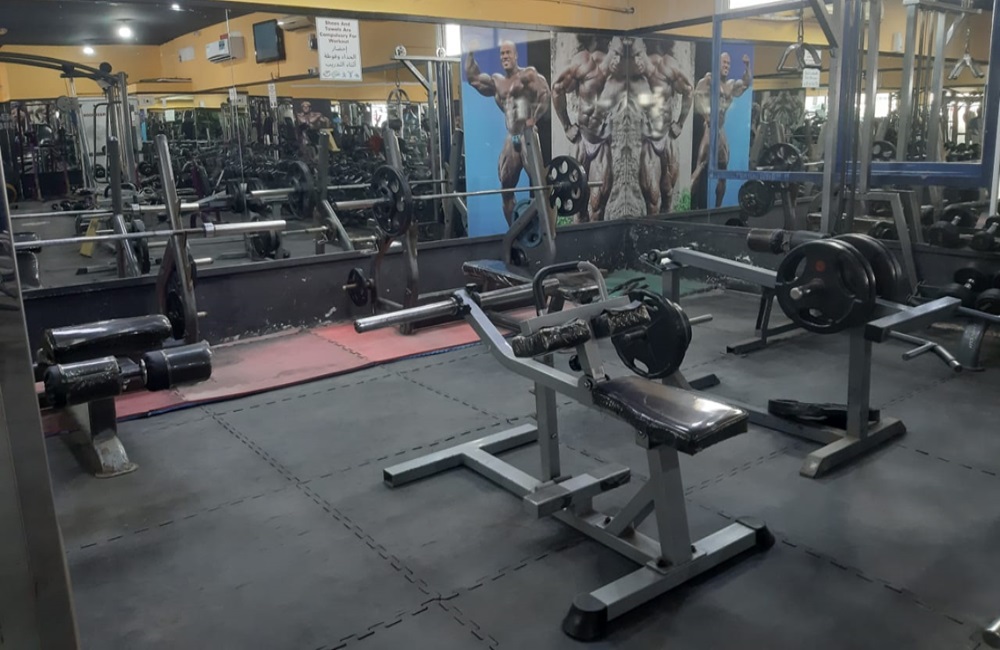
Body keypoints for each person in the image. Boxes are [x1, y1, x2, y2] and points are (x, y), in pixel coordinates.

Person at [465, 41, 551, 226]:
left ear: (516, 55)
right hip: (512, 137)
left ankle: (546, 230)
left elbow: (545, 94)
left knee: (540, 185)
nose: (505, 56)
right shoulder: (497, 82)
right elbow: (473, 79)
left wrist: (534, 118)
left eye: (508, 53)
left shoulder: (527, 75)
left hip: (528, 134)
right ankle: (515, 231)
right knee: (506, 188)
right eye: (502, 53)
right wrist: (470, 52)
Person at [552, 35, 627, 222]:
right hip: (582, 140)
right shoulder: (585, 63)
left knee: (597, 204)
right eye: (616, 53)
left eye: (622, 56)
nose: (618, 60)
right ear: (609, 46)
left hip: (603, 141)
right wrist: (566, 126)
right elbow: (557, 88)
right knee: (578, 204)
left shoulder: (622, 76)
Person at [634, 39, 693, 215]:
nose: (637, 60)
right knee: (652, 198)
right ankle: (650, 232)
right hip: (648, 139)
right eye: (634, 56)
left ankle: (666, 232)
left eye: (639, 55)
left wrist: (680, 123)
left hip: (667, 136)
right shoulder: (633, 74)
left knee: (668, 193)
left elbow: (689, 91)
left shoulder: (667, 65)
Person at [690, 52, 752, 208]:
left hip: (720, 129)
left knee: (723, 171)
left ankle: (718, 208)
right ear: (717, 63)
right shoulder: (709, 80)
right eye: (724, 63)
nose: (726, 66)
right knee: (700, 167)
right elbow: (696, 96)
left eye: (728, 64)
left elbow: (746, 83)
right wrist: (706, 115)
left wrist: (747, 67)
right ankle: (691, 205)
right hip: (710, 129)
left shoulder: (730, 85)